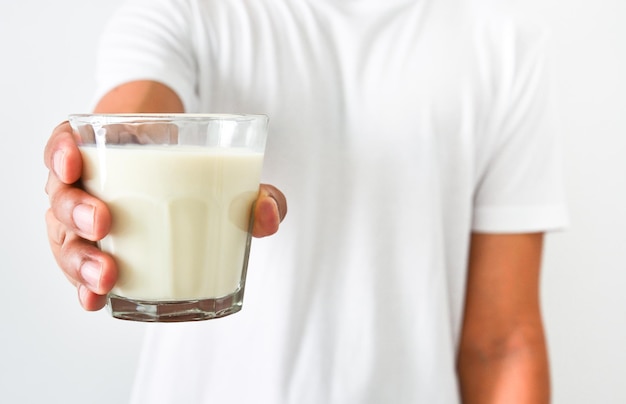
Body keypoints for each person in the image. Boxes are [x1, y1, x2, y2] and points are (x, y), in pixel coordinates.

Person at [43, 0, 568, 402]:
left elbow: (502, 344)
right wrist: (90, 178)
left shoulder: (501, 39)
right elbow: (136, 116)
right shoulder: (188, 10)